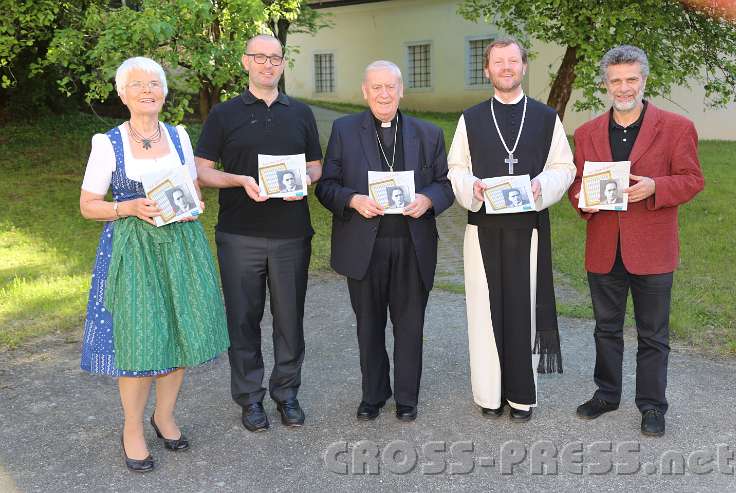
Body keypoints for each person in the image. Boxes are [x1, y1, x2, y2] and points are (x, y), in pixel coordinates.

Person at [79, 57, 229, 473]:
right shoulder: (107, 143)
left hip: (181, 245)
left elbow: (193, 190)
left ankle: (163, 416)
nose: (148, 90)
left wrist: (195, 204)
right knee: (140, 338)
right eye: (138, 84)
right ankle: (132, 428)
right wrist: (126, 207)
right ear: (123, 93)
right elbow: (88, 206)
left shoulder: (180, 135)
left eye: (155, 84)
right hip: (134, 249)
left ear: (164, 92)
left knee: (181, 332)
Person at [568, 45, 704, 437]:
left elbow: (693, 179)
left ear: (644, 81)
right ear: (605, 84)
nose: (623, 88)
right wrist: (586, 199)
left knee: (653, 334)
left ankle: (652, 406)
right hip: (604, 247)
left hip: (653, 249)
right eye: (616, 81)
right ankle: (607, 394)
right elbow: (576, 185)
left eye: (631, 79)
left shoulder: (677, 127)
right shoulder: (588, 131)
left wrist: (656, 187)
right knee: (605, 329)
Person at [194, 34, 322, 432]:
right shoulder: (224, 114)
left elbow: (317, 166)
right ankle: (250, 399)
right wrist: (240, 180)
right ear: (246, 62)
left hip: (291, 234)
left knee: (290, 319)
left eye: (276, 58)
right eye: (260, 58)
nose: (269, 65)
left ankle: (287, 394)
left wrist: (304, 178)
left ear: (283, 64)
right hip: (239, 234)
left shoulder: (300, 112)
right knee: (243, 319)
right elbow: (201, 170)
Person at [316, 60, 454, 422]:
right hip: (364, 246)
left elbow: (445, 184)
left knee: (410, 325)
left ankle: (407, 399)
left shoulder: (428, 133)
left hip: (412, 244)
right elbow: (326, 185)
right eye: (375, 87)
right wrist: (352, 199)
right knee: (369, 325)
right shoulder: (344, 131)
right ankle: (373, 395)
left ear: (401, 90)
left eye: (390, 86)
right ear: (364, 92)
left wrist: (428, 200)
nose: (383, 94)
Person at [447, 38, 575, 422]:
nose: (506, 67)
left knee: (524, 310)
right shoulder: (470, 118)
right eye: (498, 62)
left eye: (513, 61)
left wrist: (541, 187)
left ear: (523, 67)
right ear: (487, 70)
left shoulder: (545, 117)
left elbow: (564, 167)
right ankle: (489, 393)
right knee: (485, 312)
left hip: (528, 228)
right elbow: (456, 168)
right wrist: (473, 187)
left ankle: (521, 395)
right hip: (482, 229)